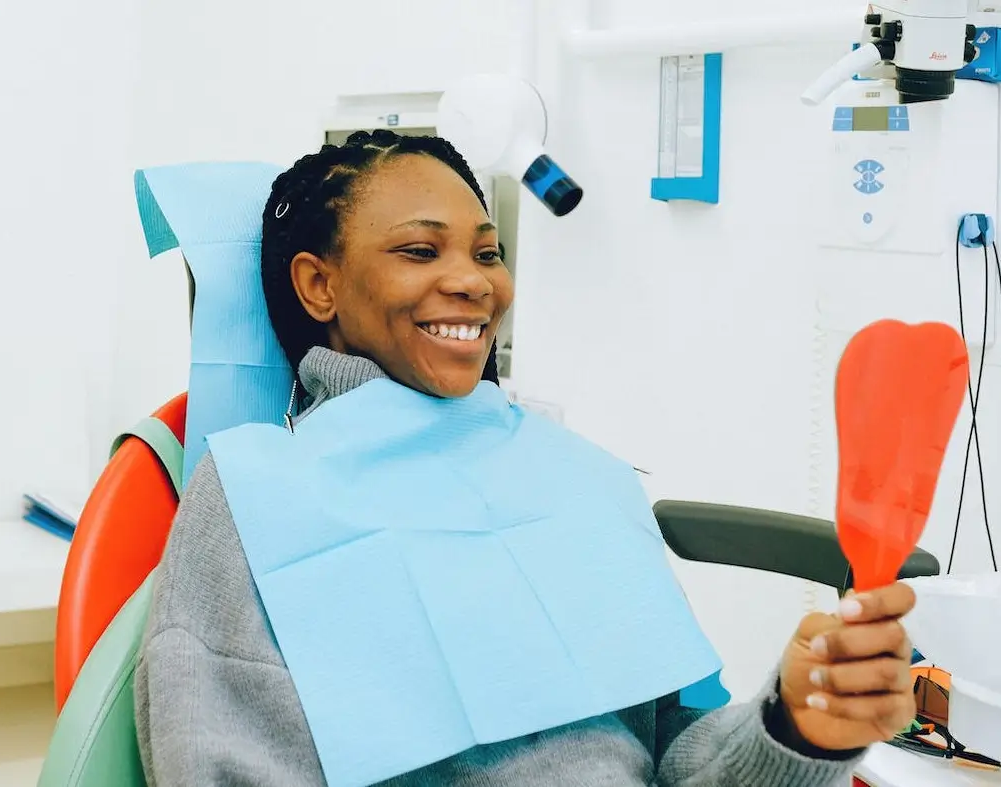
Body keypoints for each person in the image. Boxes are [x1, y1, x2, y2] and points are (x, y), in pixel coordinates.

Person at [134, 129, 918, 786]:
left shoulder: (580, 478)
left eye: (487, 252)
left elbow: (684, 756)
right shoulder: (258, 493)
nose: (472, 281)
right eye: (419, 249)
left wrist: (796, 725)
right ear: (318, 285)